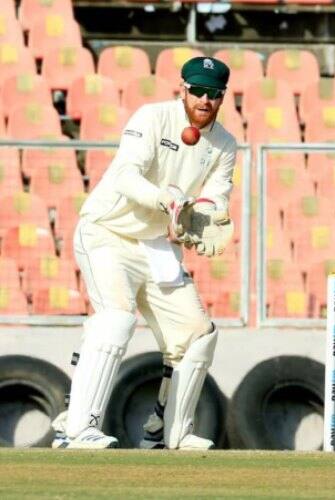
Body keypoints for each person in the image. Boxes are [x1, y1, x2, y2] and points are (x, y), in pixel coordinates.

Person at [56, 56, 237, 449]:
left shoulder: (224, 144)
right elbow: (125, 175)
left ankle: (170, 432)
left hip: (155, 245)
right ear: (182, 88)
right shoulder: (152, 118)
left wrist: (200, 219)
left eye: (214, 94)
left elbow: (214, 196)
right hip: (108, 232)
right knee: (117, 317)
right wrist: (164, 199)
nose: (204, 100)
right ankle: (77, 428)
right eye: (197, 90)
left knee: (197, 334)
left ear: (223, 97)